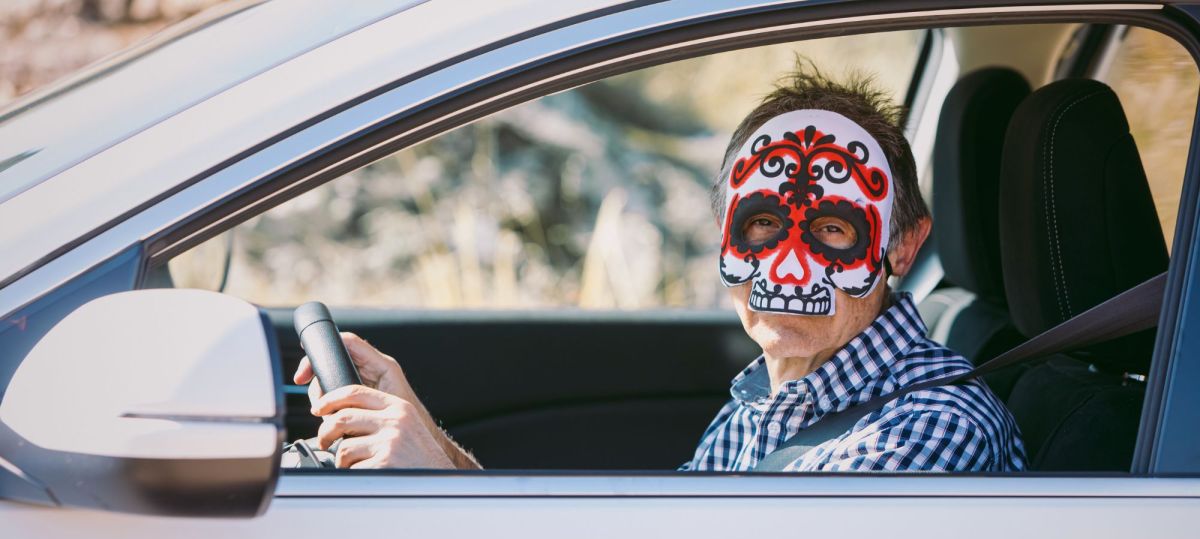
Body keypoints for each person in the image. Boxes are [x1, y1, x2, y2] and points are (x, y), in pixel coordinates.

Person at [293, 64, 1027, 472]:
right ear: (723, 232)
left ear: (902, 246)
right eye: (763, 224)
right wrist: (431, 450)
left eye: (833, 230)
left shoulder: (930, 432)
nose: (789, 263)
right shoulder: (761, 404)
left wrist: (439, 500)